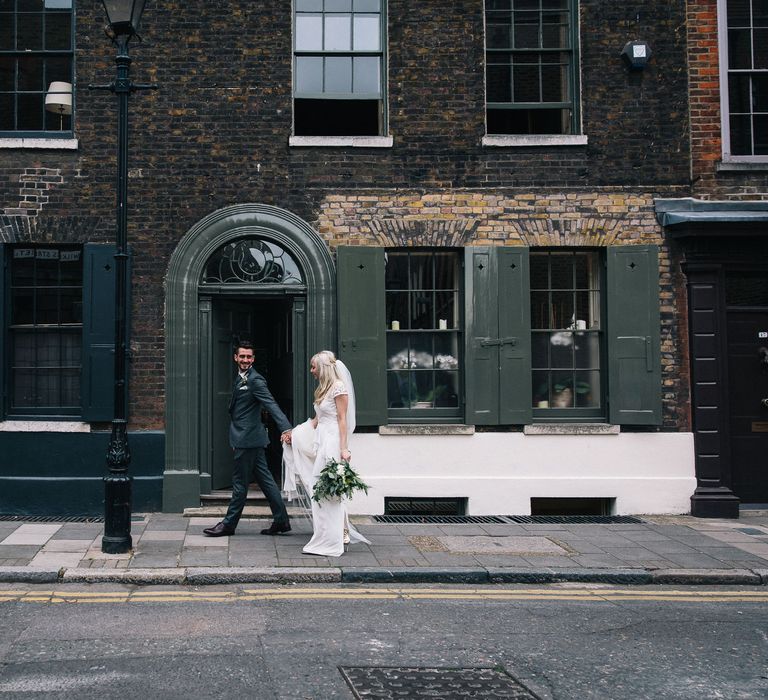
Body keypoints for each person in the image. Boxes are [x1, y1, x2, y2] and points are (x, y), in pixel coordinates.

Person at [283, 350, 370, 556]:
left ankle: (333, 538)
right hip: (321, 440)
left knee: (327, 490)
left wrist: (344, 449)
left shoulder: (339, 387)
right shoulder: (324, 389)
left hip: (331, 443)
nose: (311, 371)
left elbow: (342, 420)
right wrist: (293, 434)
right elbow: (316, 420)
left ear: (322, 367)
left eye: (313, 367)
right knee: (319, 488)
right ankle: (327, 534)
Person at [204, 342, 293, 537]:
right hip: (250, 438)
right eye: (242, 356)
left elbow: (271, 404)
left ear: (253, 359)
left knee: (239, 484)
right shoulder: (241, 378)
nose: (245, 360)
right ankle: (281, 521)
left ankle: (228, 524)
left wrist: (286, 427)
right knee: (267, 481)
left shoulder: (255, 380)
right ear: (235, 357)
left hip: (247, 439)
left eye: (248, 357)